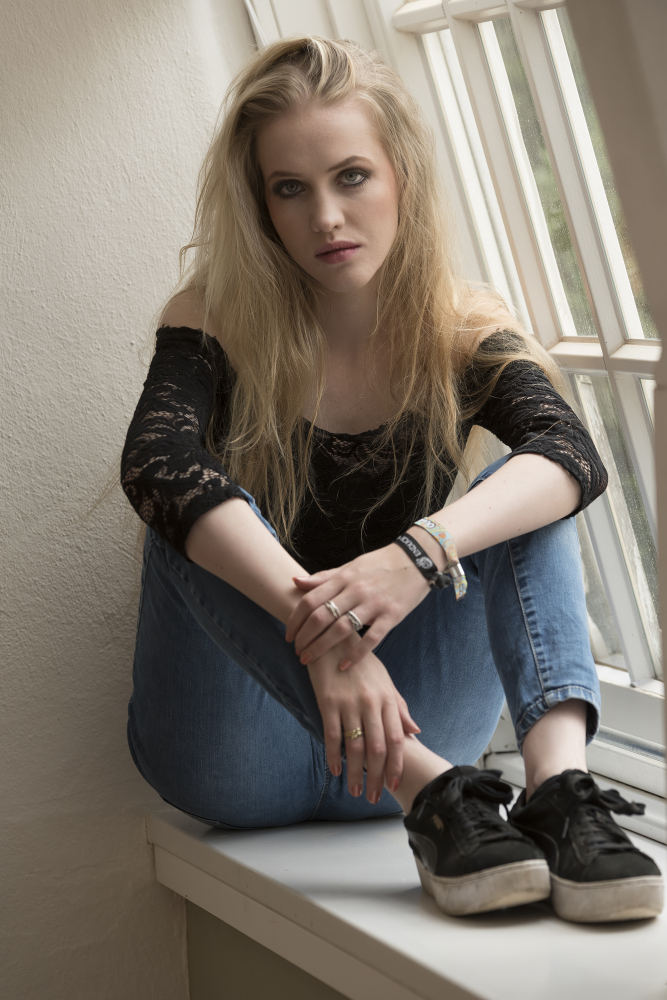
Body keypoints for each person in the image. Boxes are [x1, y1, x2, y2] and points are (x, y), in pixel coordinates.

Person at [121, 36, 663, 923]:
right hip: (238, 753)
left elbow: (572, 454)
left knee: (529, 482)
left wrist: (416, 553)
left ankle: (559, 797)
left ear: (400, 176)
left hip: (412, 724)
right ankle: (435, 798)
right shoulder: (213, 317)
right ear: (260, 206)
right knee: (185, 503)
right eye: (289, 189)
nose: (325, 217)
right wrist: (328, 645)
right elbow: (152, 463)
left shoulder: (460, 326)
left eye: (351, 177)